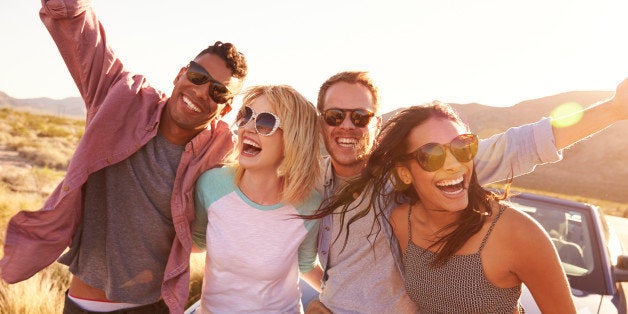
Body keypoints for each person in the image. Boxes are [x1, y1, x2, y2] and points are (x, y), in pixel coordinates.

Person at [306, 71, 628, 313]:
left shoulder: (407, 175)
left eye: (360, 117)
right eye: (335, 116)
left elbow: (522, 145)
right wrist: (327, 298)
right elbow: (293, 251)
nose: (347, 126)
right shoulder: (308, 180)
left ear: (376, 124)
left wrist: (613, 110)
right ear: (322, 123)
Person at [0, 1, 247, 313]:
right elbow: (77, 27)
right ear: (181, 74)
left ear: (225, 108)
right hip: (83, 303)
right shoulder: (120, 98)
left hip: (153, 306)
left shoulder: (223, 152)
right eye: (198, 77)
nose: (201, 92)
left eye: (218, 92)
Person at [325, 102, 576, 312]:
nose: (454, 165)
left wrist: (613, 110)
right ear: (405, 173)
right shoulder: (401, 222)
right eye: (431, 155)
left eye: (462, 147)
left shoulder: (517, 234)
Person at [192, 85, 324, 313]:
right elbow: (194, 244)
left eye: (265, 123)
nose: (248, 128)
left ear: (293, 140)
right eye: (246, 116)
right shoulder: (211, 186)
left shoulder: (309, 205)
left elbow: (306, 265)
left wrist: (349, 303)